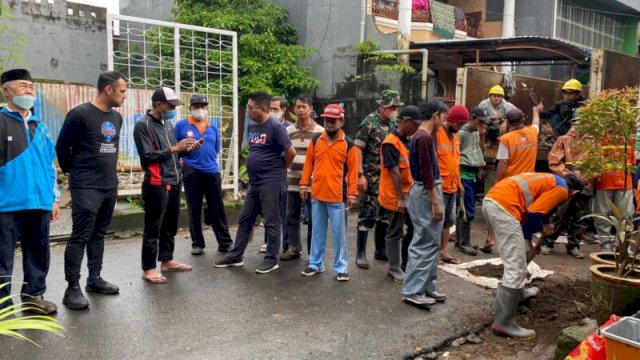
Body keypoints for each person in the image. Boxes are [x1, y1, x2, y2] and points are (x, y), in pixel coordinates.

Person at [482, 172, 584, 339]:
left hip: (494, 202)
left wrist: (529, 244)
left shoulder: (550, 180)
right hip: (505, 208)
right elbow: (534, 215)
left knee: (518, 256)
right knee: (515, 266)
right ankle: (503, 323)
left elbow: (534, 214)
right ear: (575, 192)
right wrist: (543, 228)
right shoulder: (562, 189)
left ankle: (519, 292)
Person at [56, 71, 127, 310]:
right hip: (86, 186)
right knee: (80, 235)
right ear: (109, 89)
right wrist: (75, 174)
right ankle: (72, 287)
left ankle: (94, 278)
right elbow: (62, 147)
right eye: (122, 90)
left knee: (99, 234)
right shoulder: (79, 115)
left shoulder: (117, 117)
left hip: (109, 185)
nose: (124, 95)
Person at [214, 91, 296, 273]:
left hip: (272, 182)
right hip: (255, 182)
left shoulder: (276, 127)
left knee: (271, 221)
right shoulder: (252, 126)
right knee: (245, 218)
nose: (248, 111)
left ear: (262, 109)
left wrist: (278, 169)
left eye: (251, 108)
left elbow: (291, 153)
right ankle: (236, 255)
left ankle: (271, 259)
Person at [0, 69, 60, 314]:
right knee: (2, 259)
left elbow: (50, 166)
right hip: (6, 206)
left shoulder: (41, 127)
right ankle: (3, 306)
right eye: (23, 86)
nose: (29, 91)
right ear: (6, 90)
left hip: (39, 204)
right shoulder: (1, 123)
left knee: (38, 252)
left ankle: (33, 296)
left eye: (31, 87)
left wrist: (53, 198)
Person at [133, 87, 198, 284]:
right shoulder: (143, 125)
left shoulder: (167, 123)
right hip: (156, 183)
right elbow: (147, 156)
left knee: (170, 224)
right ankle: (149, 268)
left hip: (174, 180)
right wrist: (174, 148)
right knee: (153, 227)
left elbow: (174, 153)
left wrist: (186, 150)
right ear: (158, 104)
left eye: (174, 106)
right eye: (170, 105)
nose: (172, 109)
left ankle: (167, 260)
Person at [299, 104, 358, 281]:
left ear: (342, 121)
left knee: (339, 235)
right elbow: (308, 164)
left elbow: (353, 172)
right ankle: (315, 264)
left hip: (338, 197)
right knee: (317, 231)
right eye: (327, 120)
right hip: (317, 194)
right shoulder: (316, 140)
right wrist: (303, 185)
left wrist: (352, 194)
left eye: (333, 120)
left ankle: (341, 267)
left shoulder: (349, 144)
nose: (329, 123)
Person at [402, 100, 448, 308]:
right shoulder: (423, 138)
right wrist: (435, 201)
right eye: (443, 117)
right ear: (436, 115)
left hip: (425, 190)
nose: (444, 121)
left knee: (431, 240)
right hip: (425, 191)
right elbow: (427, 172)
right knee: (424, 242)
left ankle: (427, 286)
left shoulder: (423, 137)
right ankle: (413, 290)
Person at [175, 94, 233, 256]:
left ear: (207, 108)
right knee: (194, 208)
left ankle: (225, 242)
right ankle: (197, 243)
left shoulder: (212, 127)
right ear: (190, 108)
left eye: (202, 106)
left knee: (217, 207)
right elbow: (176, 148)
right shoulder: (181, 126)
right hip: (191, 171)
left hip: (212, 171)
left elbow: (216, 149)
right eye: (196, 107)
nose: (199, 109)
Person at [355, 89, 403, 269]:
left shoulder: (394, 124)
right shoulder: (369, 122)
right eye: (391, 106)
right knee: (367, 214)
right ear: (382, 106)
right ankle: (360, 253)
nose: (394, 110)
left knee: (384, 214)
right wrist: (360, 174)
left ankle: (380, 250)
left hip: (387, 178)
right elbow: (358, 149)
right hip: (370, 176)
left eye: (396, 107)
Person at [378, 105, 421, 283]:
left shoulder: (408, 140)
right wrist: (401, 199)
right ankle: (394, 268)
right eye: (414, 124)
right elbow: (394, 172)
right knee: (394, 231)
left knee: (413, 228)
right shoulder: (390, 142)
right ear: (404, 121)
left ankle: (405, 265)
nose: (417, 128)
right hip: (396, 196)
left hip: (409, 194)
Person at [280, 94, 324, 261]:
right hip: (291, 179)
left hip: (313, 182)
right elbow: (284, 153)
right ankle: (293, 248)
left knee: (314, 218)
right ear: (294, 109)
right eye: (298, 106)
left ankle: (313, 252)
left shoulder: (320, 132)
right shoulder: (288, 131)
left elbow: (321, 158)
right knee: (291, 215)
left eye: (304, 106)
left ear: (311, 109)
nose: (301, 109)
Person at [543, 115, 591, 258]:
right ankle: (548, 242)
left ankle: (574, 246)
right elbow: (554, 161)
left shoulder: (593, 143)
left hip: (584, 185)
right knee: (559, 214)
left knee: (579, 217)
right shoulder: (563, 140)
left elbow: (596, 166)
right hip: (566, 185)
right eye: (577, 123)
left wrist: (583, 180)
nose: (579, 126)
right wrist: (571, 179)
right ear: (572, 123)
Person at [435, 105, 468, 265]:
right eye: (459, 124)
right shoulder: (436, 134)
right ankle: (433, 254)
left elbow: (455, 162)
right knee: (436, 221)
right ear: (451, 120)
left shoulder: (456, 137)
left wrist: (459, 182)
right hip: (439, 187)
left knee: (448, 221)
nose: (460, 128)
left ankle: (443, 252)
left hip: (452, 186)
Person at [455, 107, 491, 256]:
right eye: (479, 121)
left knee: (466, 208)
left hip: (472, 173)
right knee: (467, 209)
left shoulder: (476, 132)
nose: (481, 124)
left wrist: (482, 136)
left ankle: (460, 240)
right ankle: (465, 242)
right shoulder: (462, 133)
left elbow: (481, 151)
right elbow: (455, 155)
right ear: (472, 118)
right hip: (464, 174)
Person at [592, 131, 636, 251]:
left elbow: (631, 163)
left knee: (626, 216)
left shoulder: (628, 138)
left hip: (624, 183)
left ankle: (622, 245)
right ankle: (605, 244)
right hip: (604, 182)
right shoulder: (600, 137)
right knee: (602, 215)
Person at [494, 106, 541, 182]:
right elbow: (536, 123)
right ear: (523, 119)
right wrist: (535, 111)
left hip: (512, 181)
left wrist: (497, 181)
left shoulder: (506, 138)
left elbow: (503, 162)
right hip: (528, 180)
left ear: (508, 122)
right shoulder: (533, 132)